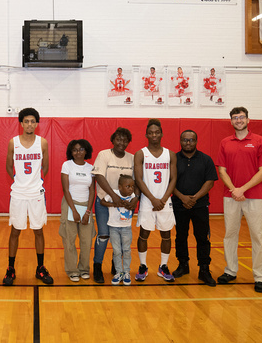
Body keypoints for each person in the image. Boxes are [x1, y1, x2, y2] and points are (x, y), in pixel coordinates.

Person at [216, 106, 262, 293]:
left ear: (248, 120)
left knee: (258, 236)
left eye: (241, 117)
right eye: (234, 118)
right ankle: (230, 271)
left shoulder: (260, 141)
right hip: (231, 196)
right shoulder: (225, 142)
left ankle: (260, 277)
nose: (238, 120)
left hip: (254, 196)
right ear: (231, 121)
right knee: (230, 235)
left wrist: (243, 189)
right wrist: (234, 190)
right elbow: (221, 170)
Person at [3, 107, 52, 286]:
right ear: (21, 123)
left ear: (37, 124)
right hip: (18, 193)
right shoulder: (13, 142)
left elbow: (45, 167)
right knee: (15, 230)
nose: (30, 124)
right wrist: (19, 180)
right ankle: (11, 268)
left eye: (33, 121)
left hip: (36, 192)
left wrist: (35, 181)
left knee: (38, 230)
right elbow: (9, 166)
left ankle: (40, 267)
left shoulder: (43, 143)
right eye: (26, 121)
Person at [91, 127, 138, 284]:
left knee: (120, 236)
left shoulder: (132, 158)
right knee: (104, 234)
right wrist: (113, 195)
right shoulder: (104, 155)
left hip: (123, 205)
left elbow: (138, 181)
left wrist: (135, 198)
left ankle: (116, 266)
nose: (121, 142)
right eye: (118, 139)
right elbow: (99, 176)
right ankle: (97, 266)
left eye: (125, 140)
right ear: (113, 140)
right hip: (106, 202)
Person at [171, 130, 218, 286]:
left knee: (202, 238)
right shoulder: (174, 159)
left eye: (191, 140)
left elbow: (210, 182)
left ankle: (204, 269)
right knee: (181, 236)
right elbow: (169, 182)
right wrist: (183, 198)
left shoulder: (206, 159)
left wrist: (194, 198)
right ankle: (183, 265)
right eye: (185, 140)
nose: (188, 143)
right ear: (180, 141)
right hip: (179, 204)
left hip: (200, 205)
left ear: (196, 141)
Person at [134, 118, 177, 282]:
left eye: (157, 132)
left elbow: (173, 179)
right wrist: (152, 199)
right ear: (146, 134)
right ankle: (143, 266)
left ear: (161, 134)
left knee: (166, 234)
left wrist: (163, 199)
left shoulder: (170, 154)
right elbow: (138, 178)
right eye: (150, 132)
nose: (154, 135)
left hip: (165, 201)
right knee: (143, 233)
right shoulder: (140, 154)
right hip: (147, 200)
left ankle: (163, 266)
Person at [59, 139, 96, 282]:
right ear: (71, 152)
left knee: (86, 241)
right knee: (69, 240)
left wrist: (87, 212)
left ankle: (84, 269)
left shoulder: (90, 167)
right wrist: (73, 210)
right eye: (74, 150)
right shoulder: (67, 165)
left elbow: (92, 190)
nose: (78, 152)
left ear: (86, 151)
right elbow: (65, 189)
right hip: (70, 205)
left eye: (81, 149)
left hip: (86, 206)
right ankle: (72, 270)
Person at [100, 174, 135, 286]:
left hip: (126, 228)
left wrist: (129, 204)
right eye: (128, 186)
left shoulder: (133, 195)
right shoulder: (114, 193)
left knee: (126, 250)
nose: (131, 189)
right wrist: (113, 204)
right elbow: (102, 202)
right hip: (114, 227)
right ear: (120, 187)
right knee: (117, 251)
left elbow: (133, 204)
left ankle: (126, 272)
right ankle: (118, 272)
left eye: (132, 186)